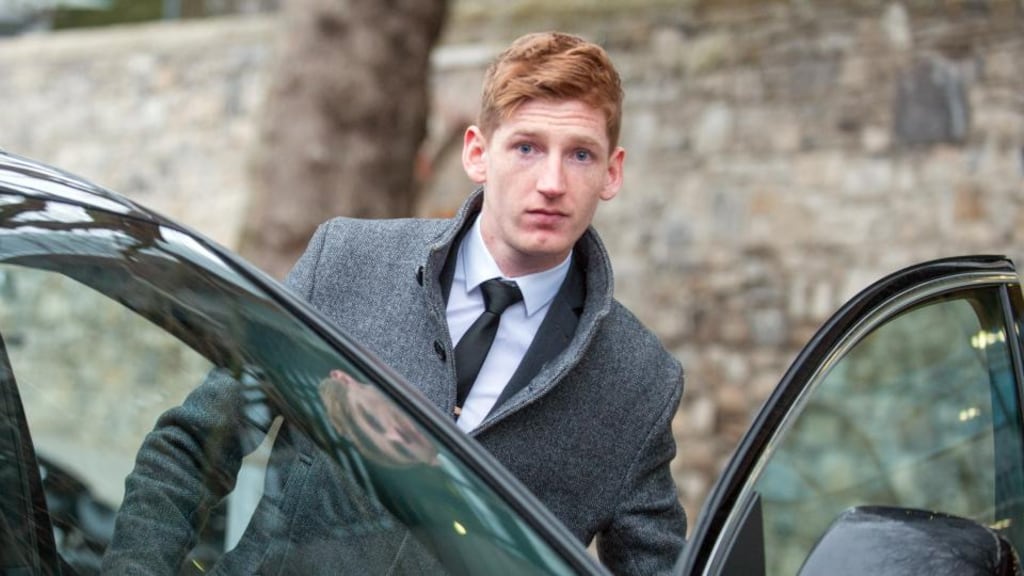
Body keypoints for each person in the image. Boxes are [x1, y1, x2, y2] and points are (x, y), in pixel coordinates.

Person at [103, 31, 686, 575]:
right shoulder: (346, 261)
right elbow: (190, 448)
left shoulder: (641, 381)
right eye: (527, 147)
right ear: (478, 154)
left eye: (580, 154)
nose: (553, 182)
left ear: (612, 172)